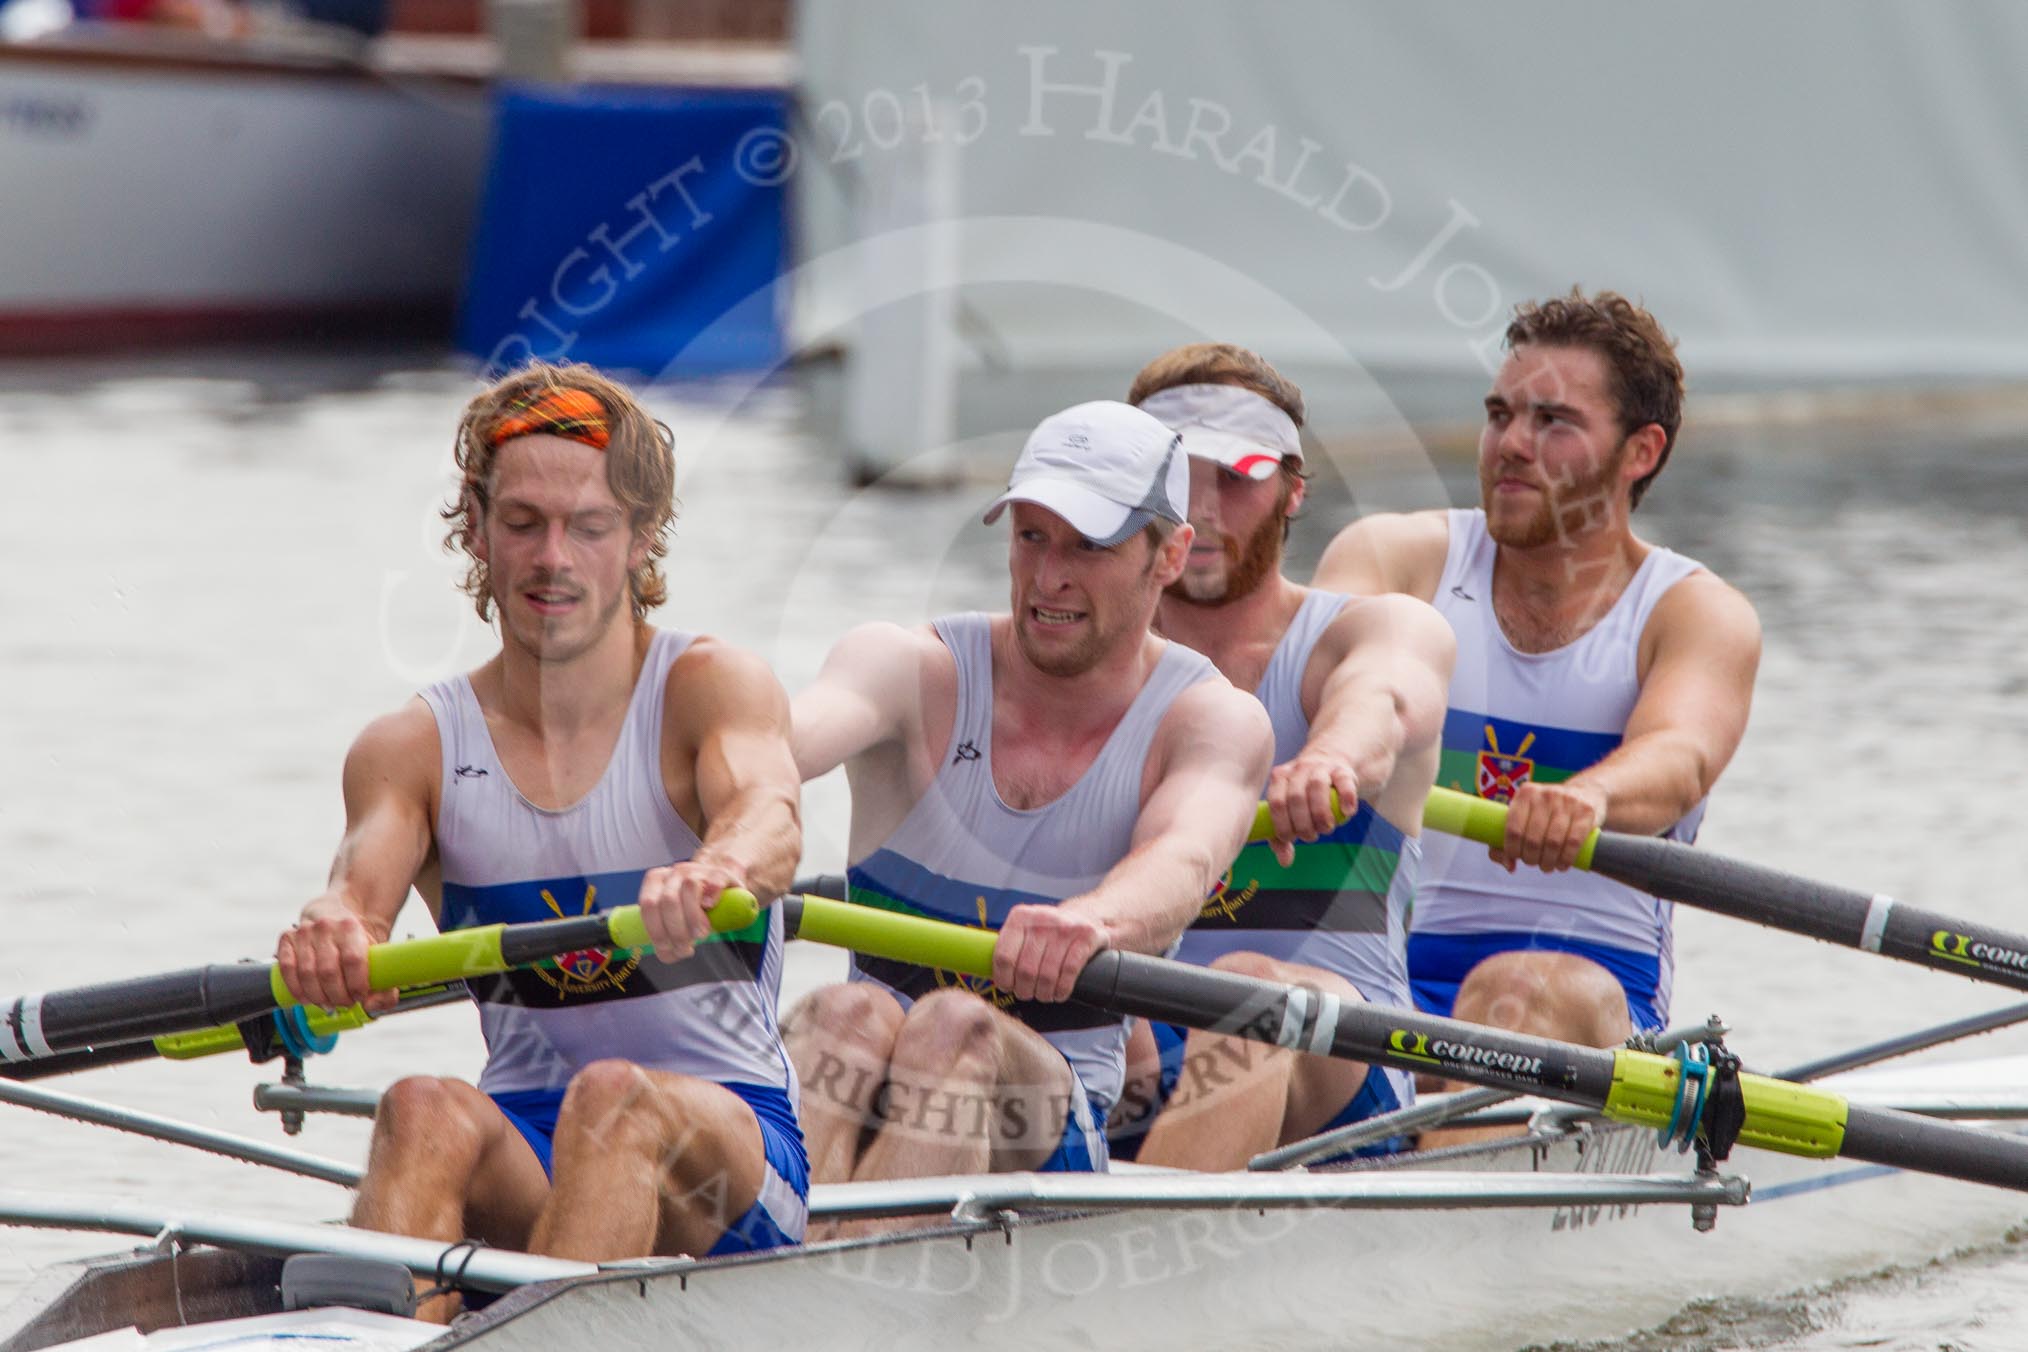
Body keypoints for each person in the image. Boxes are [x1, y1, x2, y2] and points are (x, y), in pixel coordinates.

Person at [275, 363, 808, 1314]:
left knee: (614, 1097)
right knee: (421, 1106)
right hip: (531, 1144)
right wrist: (329, 931)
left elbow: (771, 815)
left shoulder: (706, 689)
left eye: (589, 527)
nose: (550, 557)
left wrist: (717, 867)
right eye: (521, 524)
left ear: (641, 539)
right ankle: (372, 1331)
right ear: (476, 532)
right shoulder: (414, 746)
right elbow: (358, 900)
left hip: (730, 1164)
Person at [782, 400, 1272, 1224]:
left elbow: (1185, 859)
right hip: (869, 1083)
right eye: (1031, 537)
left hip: (1054, 1124)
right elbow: (777, 748)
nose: (1049, 579)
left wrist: (1094, 920)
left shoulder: (1210, 719)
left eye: (1090, 545)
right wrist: (719, 821)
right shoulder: (907, 666)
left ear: (1171, 554)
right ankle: (779, 1281)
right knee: (844, 1009)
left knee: (951, 1025)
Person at [1312, 290, 1762, 1086]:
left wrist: (1587, 798)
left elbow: (1680, 756)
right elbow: (1324, 681)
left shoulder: (1693, 612)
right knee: (1253, 990)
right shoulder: (1398, 559)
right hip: (1386, 979)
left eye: (1553, 422)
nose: (1509, 445)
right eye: (1499, 414)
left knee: (1511, 990)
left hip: (1589, 992)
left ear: (1640, 451)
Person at [1102, 345, 1453, 1170]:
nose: (1206, 508)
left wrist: (1329, 758)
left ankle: (1126, 1274)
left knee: (1255, 992)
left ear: (1294, 490)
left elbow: (1385, 697)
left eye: (1238, 477)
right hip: (1136, 1046)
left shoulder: (1368, 631)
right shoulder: (1078, 665)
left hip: (1338, 1060)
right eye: (1181, 477)